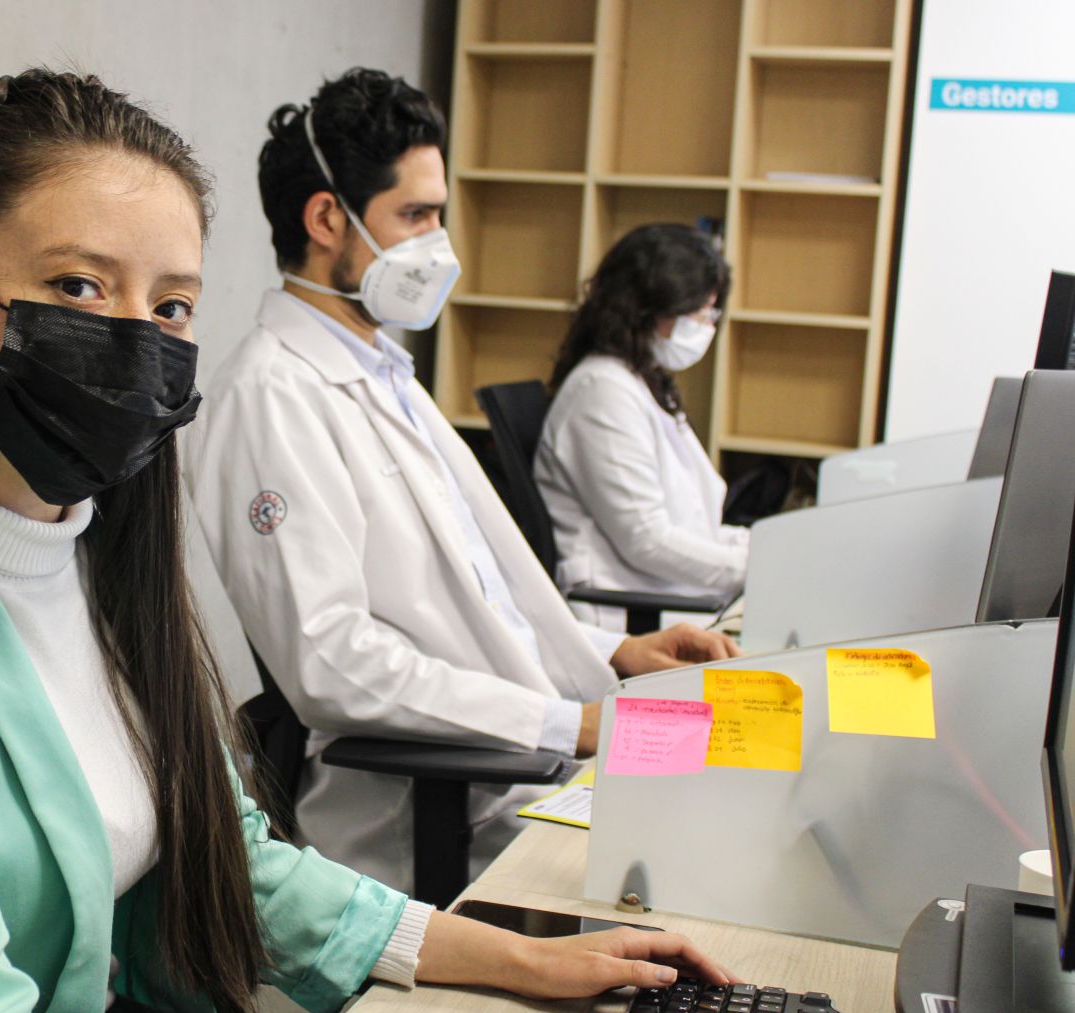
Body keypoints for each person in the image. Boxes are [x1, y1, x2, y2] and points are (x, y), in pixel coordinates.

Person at [0, 70, 734, 1013]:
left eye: (169, 307)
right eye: (77, 284)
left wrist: (518, 957)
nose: (131, 334)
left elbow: (237, 860)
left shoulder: (102, 561)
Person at [185, 69, 740, 894]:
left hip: (520, 758)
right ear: (328, 218)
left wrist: (616, 649)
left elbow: (482, 607)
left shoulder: (381, 370)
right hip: (441, 807)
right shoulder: (270, 398)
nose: (438, 242)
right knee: (726, 866)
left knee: (752, 786)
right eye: (416, 215)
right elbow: (332, 661)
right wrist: (570, 723)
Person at [535, 224, 749, 627]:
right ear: (644, 308)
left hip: (669, 596)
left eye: (711, 312)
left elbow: (692, 523)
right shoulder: (602, 391)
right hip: (632, 613)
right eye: (697, 312)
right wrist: (752, 566)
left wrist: (764, 551)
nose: (706, 325)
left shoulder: (640, 381)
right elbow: (646, 540)